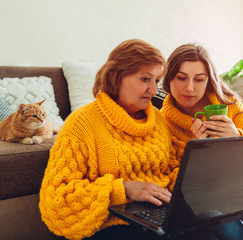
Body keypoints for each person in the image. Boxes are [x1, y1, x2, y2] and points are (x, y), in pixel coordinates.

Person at [39, 39, 180, 240]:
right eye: (145, 79)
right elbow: (56, 200)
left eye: (156, 80)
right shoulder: (82, 122)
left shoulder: (159, 119)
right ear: (116, 78)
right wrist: (122, 189)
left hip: (159, 217)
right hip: (111, 224)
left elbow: (171, 170)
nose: (153, 89)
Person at [160, 43, 243, 240]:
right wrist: (198, 152)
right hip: (203, 200)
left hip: (238, 185)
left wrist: (236, 137)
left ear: (208, 81)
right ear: (168, 78)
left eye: (199, 79)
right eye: (181, 78)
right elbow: (173, 183)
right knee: (232, 235)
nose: (189, 88)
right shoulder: (162, 121)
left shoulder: (227, 103)